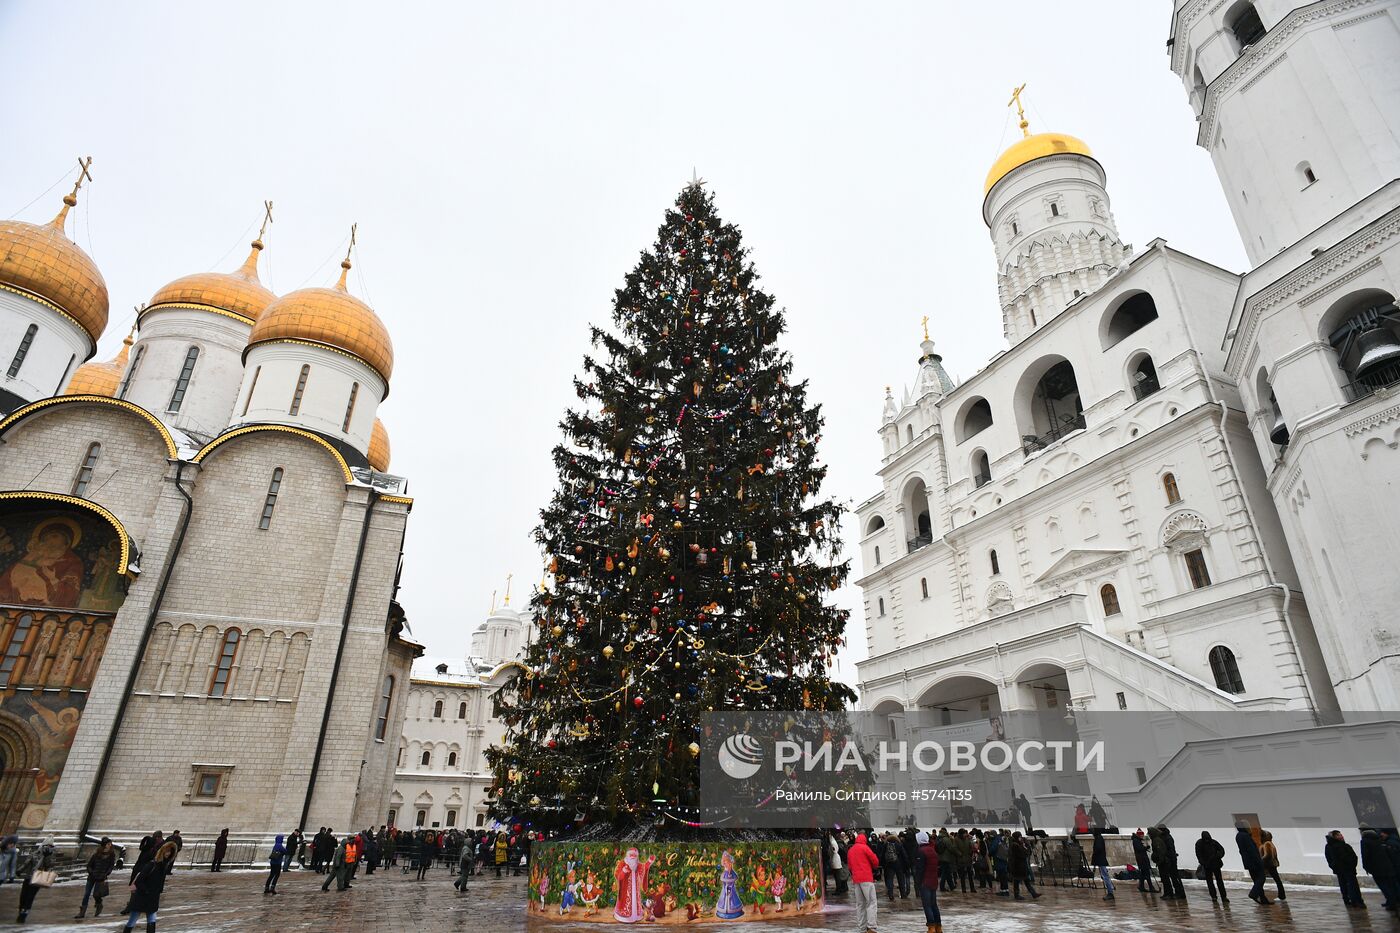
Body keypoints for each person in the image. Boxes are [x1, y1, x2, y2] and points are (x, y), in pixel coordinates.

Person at [123, 840, 175, 932]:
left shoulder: (163, 866)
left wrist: (158, 891)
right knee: (132, 921)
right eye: (167, 851)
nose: (168, 853)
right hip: (142, 897)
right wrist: (146, 891)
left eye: (170, 852)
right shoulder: (152, 864)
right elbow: (139, 881)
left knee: (151, 922)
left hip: (153, 898)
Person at [15, 837, 56, 923]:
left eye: (50, 846)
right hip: (28, 877)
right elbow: (27, 863)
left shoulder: (50, 855)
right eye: (47, 845)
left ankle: (24, 914)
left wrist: (47, 857)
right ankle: (21, 910)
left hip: (38, 879)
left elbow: (49, 866)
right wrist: (20, 870)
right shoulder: (35, 853)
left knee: (30, 897)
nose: (48, 847)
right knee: (23, 896)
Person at [846, 832, 880, 933]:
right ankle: (871, 927)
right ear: (865, 840)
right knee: (871, 902)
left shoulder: (851, 850)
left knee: (860, 904)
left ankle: (862, 927)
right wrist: (873, 867)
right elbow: (875, 861)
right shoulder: (865, 848)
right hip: (866, 878)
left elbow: (850, 866)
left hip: (856, 880)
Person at [1360, 825, 1399, 911]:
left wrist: (1366, 867)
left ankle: (1391, 902)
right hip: (1387, 866)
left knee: (1383, 885)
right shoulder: (1379, 838)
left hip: (1376, 868)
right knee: (1390, 885)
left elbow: (1365, 856)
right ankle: (1393, 900)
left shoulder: (1365, 841)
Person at [76, 836, 117, 918]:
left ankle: (99, 905)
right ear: (104, 845)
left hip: (101, 877)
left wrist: (106, 874)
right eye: (108, 844)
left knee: (97, 894)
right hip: (92, 877)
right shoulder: (97, 854)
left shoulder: (111, 855)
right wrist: (91, 872)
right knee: (87, 894)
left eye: (110, 844)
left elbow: (111, 866)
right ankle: (82, 912)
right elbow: (89, 866)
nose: (110, 845)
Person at [1325, 830, 1365, 909]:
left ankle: (1349, 900)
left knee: (1345, 884)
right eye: (1339, 835)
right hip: (1346, 869)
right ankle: (1355, 901)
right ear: (1335, 837)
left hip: (1343, 869)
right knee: (1351, 885)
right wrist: (1350, 865)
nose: (1341, 836)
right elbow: (1332, 858)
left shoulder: (1334, 846)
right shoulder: (1339, 846)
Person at [1235, 820, 1270, 904]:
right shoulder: (1245, 836)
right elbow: (1252, 850)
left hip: (1247, 862)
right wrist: (1259, 861)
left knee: (1256, 879)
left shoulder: (1238, 836)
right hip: (1254, 861)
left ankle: (1263, 899)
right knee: (1261, 878)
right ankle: (1253, 894)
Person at [913, 830, 942, 933]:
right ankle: (938, 927)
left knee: (927, 905)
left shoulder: (921, 851)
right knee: (934, 904)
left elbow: (920, 869)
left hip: (925, 882)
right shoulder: (932, 850)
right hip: (933, 880)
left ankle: (931, 927)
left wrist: (917, 882)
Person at [1154, 825, 1186, 900]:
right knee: (1171, 877)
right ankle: (1174, 893)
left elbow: (1169, 850)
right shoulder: (1164, 837)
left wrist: (1168, 858)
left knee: (1174, 877)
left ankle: (1179, 893)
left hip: (1170, 860)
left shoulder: (1167, 838)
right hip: (1169, 859)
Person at [1194, 830, 1227, 902]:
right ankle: (1214, 896)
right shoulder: (1199, 843)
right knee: (1210, 881)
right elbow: (1198, 854)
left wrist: (1218, 856)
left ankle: (1223, 896)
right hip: (1207, 865)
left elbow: (1222, 850)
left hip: (1216, 864)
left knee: (1219, 881)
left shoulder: (1214, 842)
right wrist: (1203, 863)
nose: (1207, 840)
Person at [1008, 832, 1039, 901]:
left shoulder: (1019, 844)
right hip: (1017, 867)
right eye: (1019, 837)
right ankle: (1017, 895)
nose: (1021, 838)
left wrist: (1025, 846)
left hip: (1022, 867)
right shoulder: (1015, 845)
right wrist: (1023, 846)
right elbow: (1023, 854)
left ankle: (1034, 893)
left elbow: (1027, 852)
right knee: (1017, 882)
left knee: (1026, 881)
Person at [1258, 829, 1285, 901]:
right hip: (1270, 864)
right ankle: (1281, 895)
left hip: (1269, 864)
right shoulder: (1268, 843)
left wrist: (1261, 861)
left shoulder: (1267, 844)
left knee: (1262, 879)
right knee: (1276, 880)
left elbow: (1268, 855)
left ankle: (1281, 896)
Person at [879, 832, 907, 901]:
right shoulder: (899, 844)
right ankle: (903, 894)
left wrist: (882, 864)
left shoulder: (886, 844)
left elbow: (882, 855)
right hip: (899, 864)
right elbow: (904, 855)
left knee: (890, 880)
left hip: (889, 864)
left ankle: (891, 895)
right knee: (901, 880)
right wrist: (906, 864)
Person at [1090, 828, 1114, 900]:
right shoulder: (1099, 838)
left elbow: (1098, 848)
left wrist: (1095, 853)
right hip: (1101, 860)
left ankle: (1110, 892)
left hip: (1101, 860)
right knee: (1105, 875)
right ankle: (1110, 891)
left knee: (1105, 876)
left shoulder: (1099, 839)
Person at [1131, 829, 1157, 893]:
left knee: (1143, 874)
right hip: (1142, 860)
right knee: (1147, 873)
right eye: (1141, 835)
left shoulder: (1138, 840)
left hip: (1142, 859)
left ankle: (1141, 886)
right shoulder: (1136, 841)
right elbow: (1139, 849)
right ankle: (1151, 887)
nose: (1142, 836)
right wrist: (1146, 847)